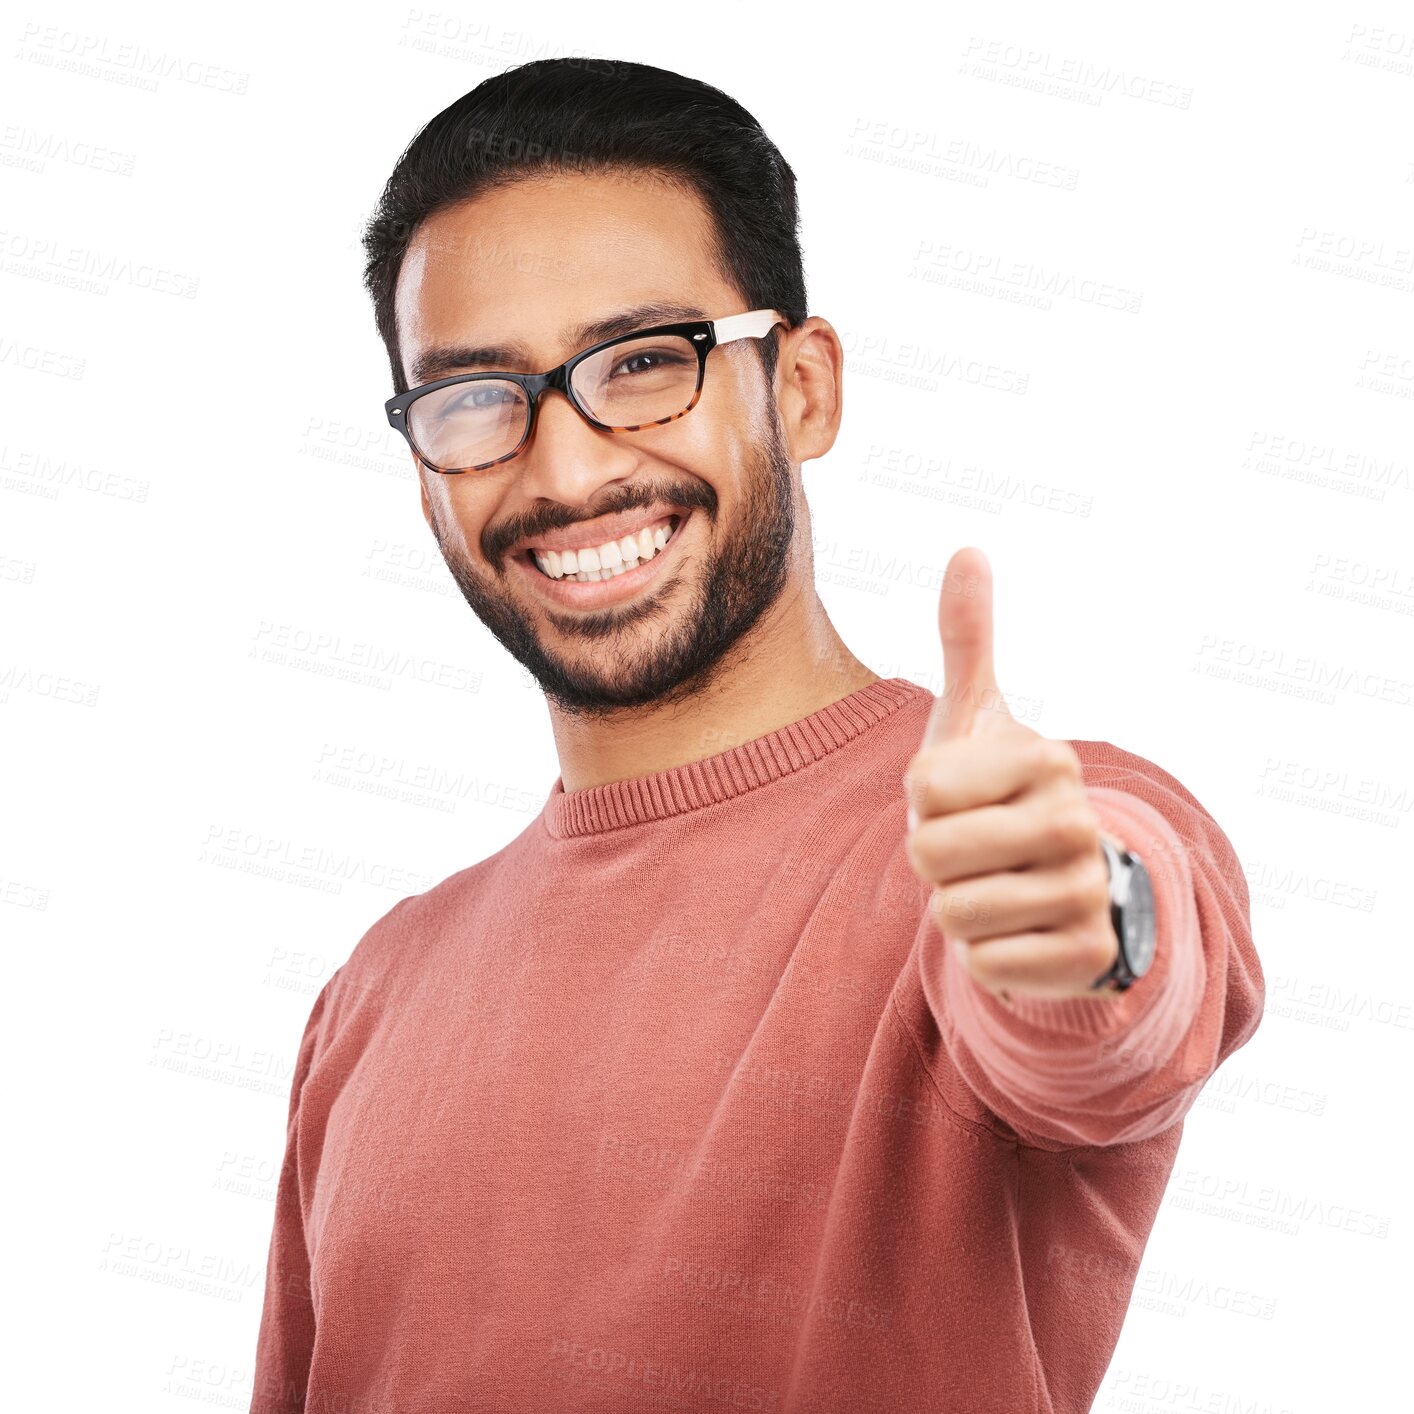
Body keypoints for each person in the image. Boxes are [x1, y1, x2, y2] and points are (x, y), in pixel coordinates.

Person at [249, 57, 1264, 1414]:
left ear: (800, 390)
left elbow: (1103, 1006)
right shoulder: (371, 993)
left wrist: (1080, 924)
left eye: (643, 364)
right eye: (474, 398)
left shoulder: (1002, 837)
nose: (564, 468)